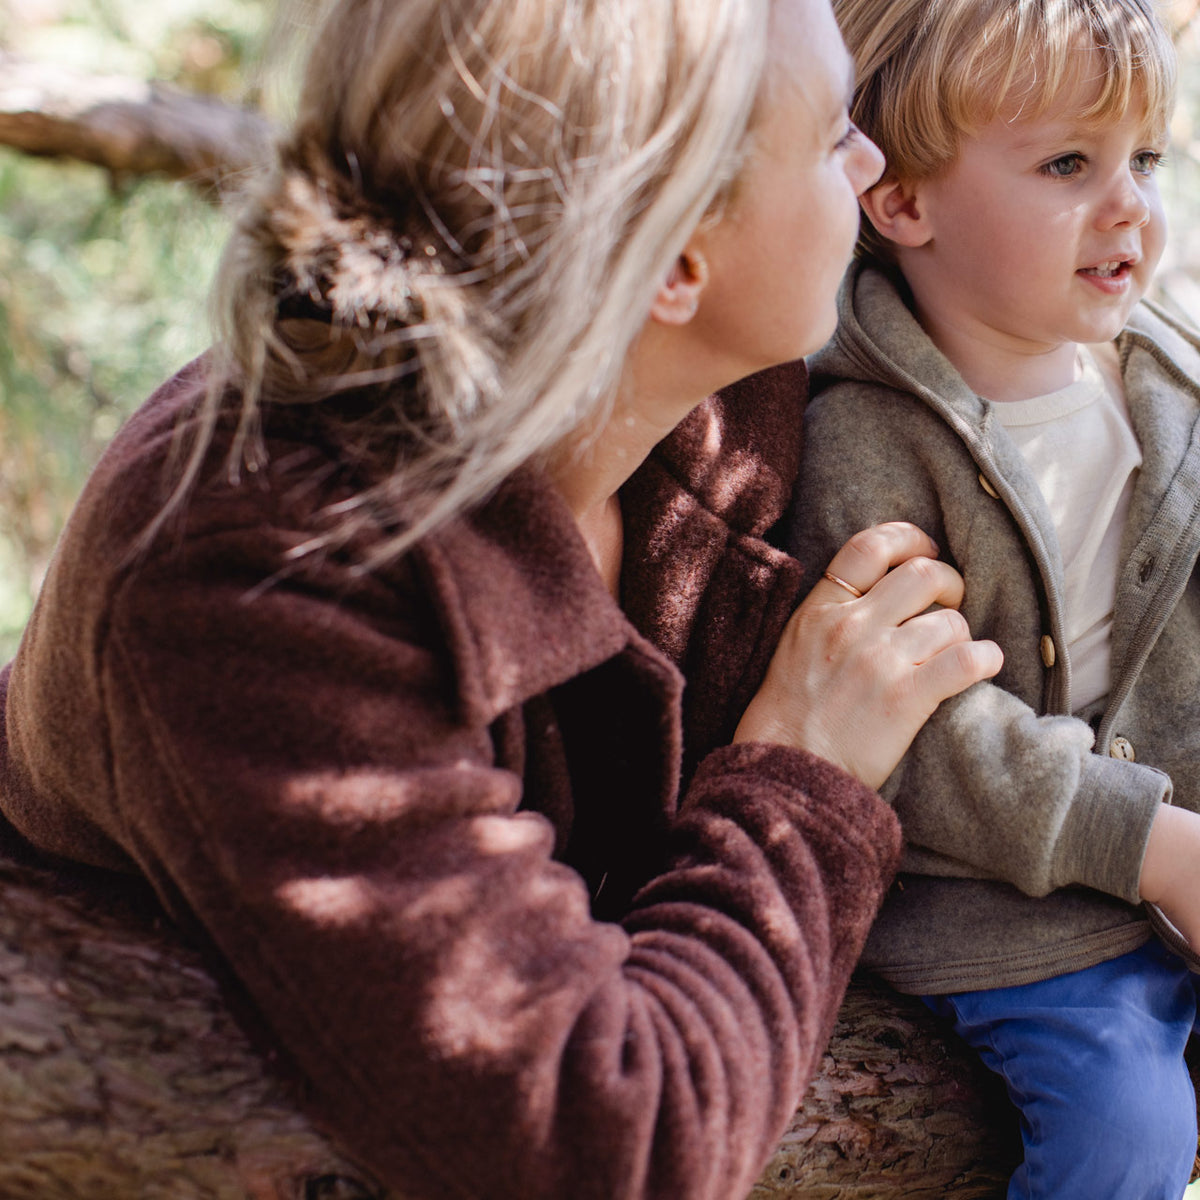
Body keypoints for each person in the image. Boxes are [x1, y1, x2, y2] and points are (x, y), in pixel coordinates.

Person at [0, 0, 1001, 1197]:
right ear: (676, 254)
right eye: (836, 134)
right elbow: (604, 1147)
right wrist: (805, 774)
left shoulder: (693, 373)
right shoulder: (258, 579)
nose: (874, 164)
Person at [784, 0, 1200, 1196]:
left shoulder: (1164, 391)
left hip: (1178, 868)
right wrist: (1156, 849)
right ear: (902, 201)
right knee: (1124, 1133)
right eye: (1070, 163)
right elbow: (915, 726)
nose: (1130, 205)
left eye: (1146, 159)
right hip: (1012, 913)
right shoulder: (865, 437)